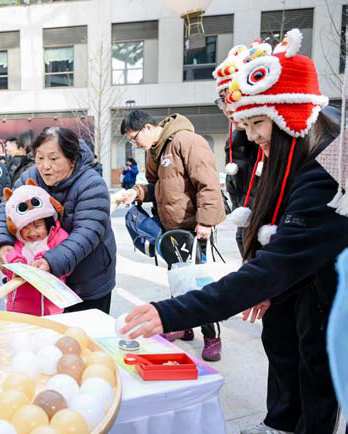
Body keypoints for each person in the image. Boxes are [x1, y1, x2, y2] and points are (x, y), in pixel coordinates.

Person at [119, 29, 348, 434]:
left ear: (291, 114)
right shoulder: (293, 152)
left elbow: (278, 263)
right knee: (286, 351)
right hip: (301, 279)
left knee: (316, 366)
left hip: (325, 292)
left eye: (257, 122)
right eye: (244, 122)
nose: (252, 135)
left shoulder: (324, 174)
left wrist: (169, 312)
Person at [119, 110, 226, 361]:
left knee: (198, 285)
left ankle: (212, 337)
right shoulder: (154, 151)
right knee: (178, 280)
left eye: (134, 138)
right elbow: (158, 188)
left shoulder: (186, 141)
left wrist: (205, 221)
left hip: (193, 228)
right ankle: (183, 325)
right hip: (170, 229)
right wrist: (137, 192)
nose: (135, 144)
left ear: (147, 127)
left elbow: (208, 183)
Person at [0, 127, 116, 313]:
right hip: (43, 287)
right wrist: (2, 243)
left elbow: (87, 233)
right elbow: (7, 208)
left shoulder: (92, 184)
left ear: (72, 159)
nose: (45, 166)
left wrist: (51, 261)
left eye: (54, 159)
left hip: (87, 282)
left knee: (83, 330)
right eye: (40, 158)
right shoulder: (31, 177)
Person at [213, 43, 264, 255]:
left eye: (233, 96)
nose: (228, 108)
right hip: (249, 237)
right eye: (222, 100)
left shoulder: (286, 140)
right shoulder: (235, 141)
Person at [1, 179, 70, 316]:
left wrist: (47, 261)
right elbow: (8, 259)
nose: (32, 233)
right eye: (25, 228)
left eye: (37, 226)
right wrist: (16, 265)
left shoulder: (58, 237)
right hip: (19, 306)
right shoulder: (18, 242)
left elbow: (66, 263)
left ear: (47, 222)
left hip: (51, 306)